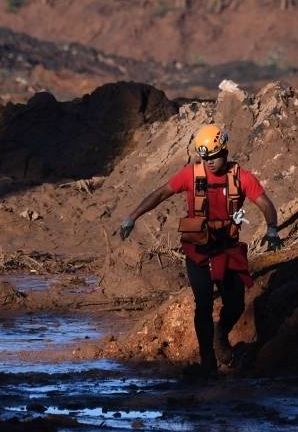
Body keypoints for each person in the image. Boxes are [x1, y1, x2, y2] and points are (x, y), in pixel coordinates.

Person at [118, 124, 282, 378]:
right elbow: (161, 193)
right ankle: (208, 362)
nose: (209, 163)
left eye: (214, 157)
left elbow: (265, 203)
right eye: (205, 158)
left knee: (236, 304)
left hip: (227, 248)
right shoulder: (190, 175)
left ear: (225, 151)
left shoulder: (242, 177)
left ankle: (221, 333)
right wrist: (133, 216)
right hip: (198, 249)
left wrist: (271, 228)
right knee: (203, 304)